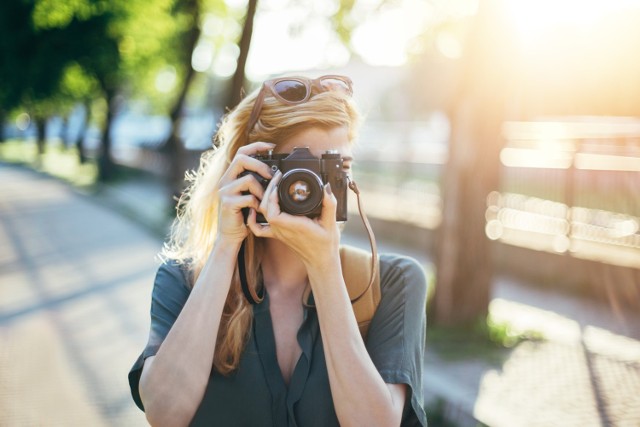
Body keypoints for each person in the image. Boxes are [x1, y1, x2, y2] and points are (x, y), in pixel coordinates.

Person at [128, 74, 428, 426]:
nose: (317, 189)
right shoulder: (183, 281)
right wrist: (226, 246)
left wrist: (324, 267)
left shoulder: (392, 283)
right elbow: (164, 414)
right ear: (249, 172)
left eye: (337, 168)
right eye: (300, 169)